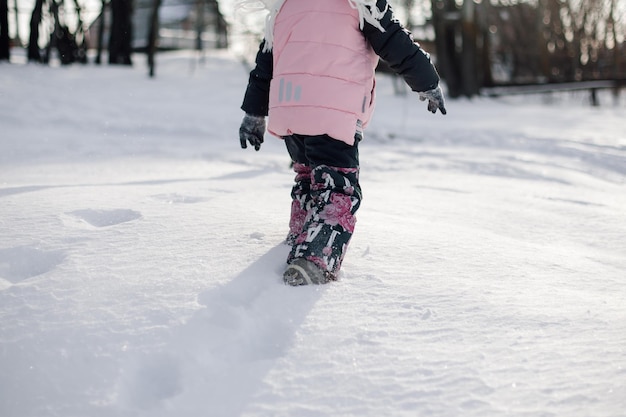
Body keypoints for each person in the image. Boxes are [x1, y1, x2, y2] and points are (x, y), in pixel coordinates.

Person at [239, 0, 446, 286]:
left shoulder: (285, 6)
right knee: (337, 186)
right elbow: (393, 40)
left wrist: (254, 113)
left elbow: (266, 59)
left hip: (290, 107)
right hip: (332, 108)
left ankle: (300, 236)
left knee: (309, 177)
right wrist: (427, 82)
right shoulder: (360, 2)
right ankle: (316, 258)